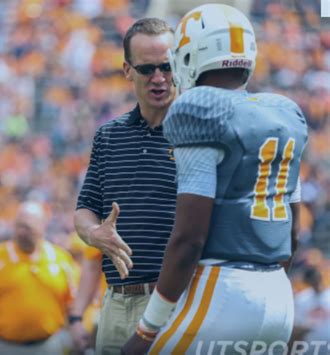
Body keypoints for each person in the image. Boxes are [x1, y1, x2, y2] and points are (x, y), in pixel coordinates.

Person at [123, 4, 308, 354]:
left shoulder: (200, 109)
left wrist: (147, 330)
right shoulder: (283, 113)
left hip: (224, 288)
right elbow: (293, 232)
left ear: (190, 55)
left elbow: (189, 239)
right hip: (279, 296)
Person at [73, 17, 177, 354]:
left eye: (167, 66)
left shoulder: (197, 132)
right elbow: (85, 208)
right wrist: (93, 234)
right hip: (117, 302)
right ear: (127, 70)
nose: (159, 77)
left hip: (176, 301)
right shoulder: (108, 136)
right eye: (148, 69)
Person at [0, 201, 75, 355]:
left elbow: (73, 302)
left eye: (27, 227)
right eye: (18, 226)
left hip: (48, 345)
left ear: (42, 226)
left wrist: (76, 331)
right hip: (4, 346)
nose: (21, 232)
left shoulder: (61, 258)